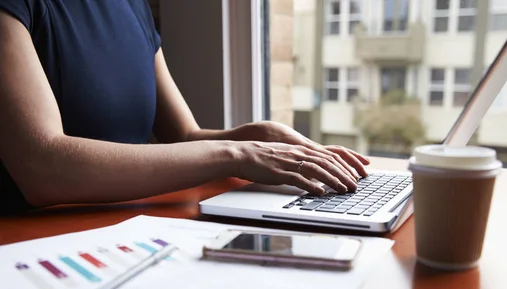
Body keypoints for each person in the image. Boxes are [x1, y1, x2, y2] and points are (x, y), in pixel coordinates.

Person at [0, 0, 370, 216]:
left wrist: (256, 136)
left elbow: (186, 136)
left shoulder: (133, 7)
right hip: (33, 248)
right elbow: (41, 166)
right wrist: (236, 153)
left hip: (128, 227)